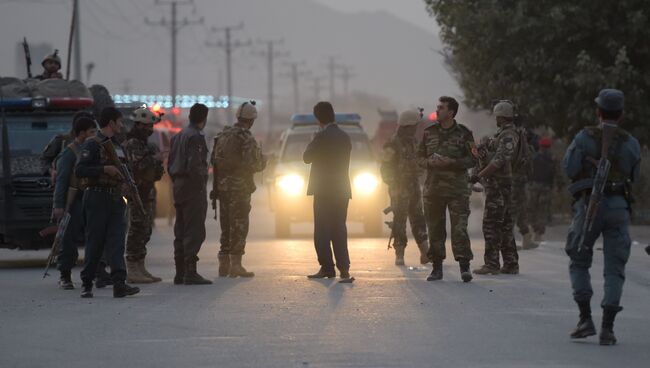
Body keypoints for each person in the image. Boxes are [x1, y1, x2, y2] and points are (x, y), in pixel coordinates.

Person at [563, 89, 640, 346]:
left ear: (598, 111)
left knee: (579, 258)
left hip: (590, 205)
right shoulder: (630, 142)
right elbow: (635, 176)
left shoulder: (585, 137)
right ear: (622, 114)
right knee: (614, 267)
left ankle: (585, 319)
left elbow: (569, 168)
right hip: (619, 207)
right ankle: (608, 328)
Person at [75, 107, 140, 298]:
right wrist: (104, 169)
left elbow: (125, 169)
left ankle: (119, 283)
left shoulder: (118, 145)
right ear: (111, 122)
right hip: (96, 197)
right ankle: (87, 283)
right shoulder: (92, 144)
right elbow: (80, 170)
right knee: (95, 241)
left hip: (116, 198)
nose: (122, 125)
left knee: (117, 241)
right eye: (119, 121)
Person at [417, 97, 476, 282]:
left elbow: (473, 159)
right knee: (435, 229)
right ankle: (436, 268)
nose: (438, 111)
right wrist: (429, 162)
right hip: (433, 190)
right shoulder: (429, 133)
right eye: (437, 107)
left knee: (459, 229)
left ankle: (464, 267)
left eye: (441, 108)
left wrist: (452, 162)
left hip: (457, 191)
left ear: (451, 112)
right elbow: (418, 157)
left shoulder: (464, 133)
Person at [211, 101, 266, 278]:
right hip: (239, 188)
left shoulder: (223, 135)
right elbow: (254, 165)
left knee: (226, 224)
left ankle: (224, 264)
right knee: (239, 224)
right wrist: (264, 161)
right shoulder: (246, 138)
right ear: (251, 120)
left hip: (222, 187)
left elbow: (214, 161)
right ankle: (236, 264)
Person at [304, 102, 353, 283]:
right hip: (341, 189)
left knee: (323, 230)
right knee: (339, 227)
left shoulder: (320, 137)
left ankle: (327, 268)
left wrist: (314, 140)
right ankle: (344, 269)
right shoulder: (345, 137)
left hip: (323, 190)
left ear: (318, 118)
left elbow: (306, 158)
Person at [470, 101, 520, 275]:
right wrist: (482, 146)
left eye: (497, 116)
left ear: (501, 116)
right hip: (500, 185)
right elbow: (491, 148)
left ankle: (491, 264)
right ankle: (511, 263)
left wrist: (479, 175)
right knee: (505, 225)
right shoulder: (503, 134)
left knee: (491, 225)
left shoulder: (508, 135)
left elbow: (499, 160)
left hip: (499, 186)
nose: (495, 119)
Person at [168, 103, 211, 285]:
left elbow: (170, 163)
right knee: (194, 229)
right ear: (204, 118)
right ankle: (190, 272)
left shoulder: (179, 136)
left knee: (181, 228)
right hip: (192, 186)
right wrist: (201, 184)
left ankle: (180, 271)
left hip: (178, 185)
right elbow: (195, 165)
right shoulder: (196, 137)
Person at [52, 116, 97, 289]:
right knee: (68, 239)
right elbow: (62, 180)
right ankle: (65, 275)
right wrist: (59, 205)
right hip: (74, 200)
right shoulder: (69, 153)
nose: (94, 135)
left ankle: (95, 273)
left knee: (94, 237)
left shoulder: (91, 149)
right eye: (91, 132)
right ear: (82, 133)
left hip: (90, 198)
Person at [380, 109, 429, 266]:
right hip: (399, 188)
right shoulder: (392, 144)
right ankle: (399, 254)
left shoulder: (414, 142)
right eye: (414, 126)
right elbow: (385, 168)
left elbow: (419, 163)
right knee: (399, 221)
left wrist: (420, 172)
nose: (416, 129)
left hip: (413, 186)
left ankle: (425, 253)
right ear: (407, 126)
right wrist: (393, 185)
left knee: (418, 219)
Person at [123, 106, 164, 283]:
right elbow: (138, 166)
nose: (149, 130)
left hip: (147, 191)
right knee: (136, 229)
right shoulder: (132, 143)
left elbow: (155, 171)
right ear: (138, 125)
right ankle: (132, 267)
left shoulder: (145, 144)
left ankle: (140, 266)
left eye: (150, 127)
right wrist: (154, 159)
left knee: (145, 230)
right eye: (146, 126)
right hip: (136, 192)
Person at [527, 136, 556, 242]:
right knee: (541, 211)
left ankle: (532, 230)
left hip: (534, 186)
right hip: (545, 187)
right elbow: (555, 174)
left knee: (532, 209)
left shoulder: (534, 157)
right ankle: (538, 234)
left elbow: (528, 172)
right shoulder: (552, 159)